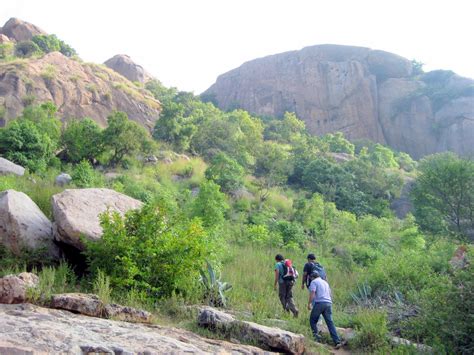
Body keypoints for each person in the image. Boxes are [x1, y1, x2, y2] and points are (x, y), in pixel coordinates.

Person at [307, 271, 341, 349]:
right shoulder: (325, 282)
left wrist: (309, 303)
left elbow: (312, 293)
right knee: (330, 323)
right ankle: (337, 341)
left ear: (312, 277)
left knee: (312, 320)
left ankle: (317, 339)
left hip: (320, 303)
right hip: (328, 303)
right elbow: (330, 293)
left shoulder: (314, 282)